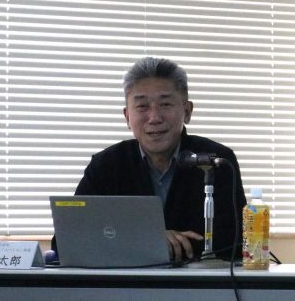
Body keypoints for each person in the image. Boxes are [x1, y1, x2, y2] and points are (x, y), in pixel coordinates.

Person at [73, 57, 246, 262]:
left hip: (198, 280)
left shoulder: (216, 161)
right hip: (125, 281)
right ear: (127, 117)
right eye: (142, 106)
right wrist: (150, 240)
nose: (154, 117)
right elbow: (70, 239)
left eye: (165, 104)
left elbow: (235, 243)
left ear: (187, 111)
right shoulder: (105, 166)